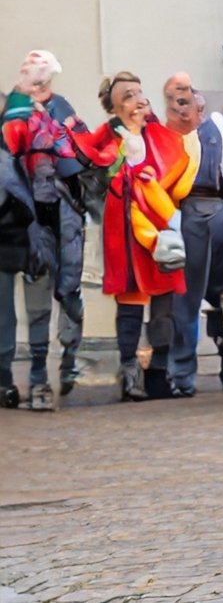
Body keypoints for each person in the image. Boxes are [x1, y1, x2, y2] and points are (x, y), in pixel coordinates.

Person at [73, 72, 192, 402]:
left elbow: (177, 165)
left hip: (159, 221)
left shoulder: (159, 134)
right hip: (124, 225)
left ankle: (159, 374)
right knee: (130, 299)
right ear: (114, 108)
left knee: (164, 300)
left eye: (139, 92)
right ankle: (129, 375)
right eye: (128, 95)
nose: (138, 99)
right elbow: (96, 167)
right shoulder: (108, 137)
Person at [0, 51, 91, 410]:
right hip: (21, 224)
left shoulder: (58, 110)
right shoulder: (14, 116)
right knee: (27, 303)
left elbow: (79, 158)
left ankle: (63, 362)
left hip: (55, 218)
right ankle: (31, 378)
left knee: (64, 294)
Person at [162, 75, 223, 397]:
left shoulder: (212, 127)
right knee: (197, 296)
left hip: (209, 213)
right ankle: (193, 373)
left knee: (215, 295)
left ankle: (222, 370)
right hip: (193, 213)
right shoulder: (173, 133)